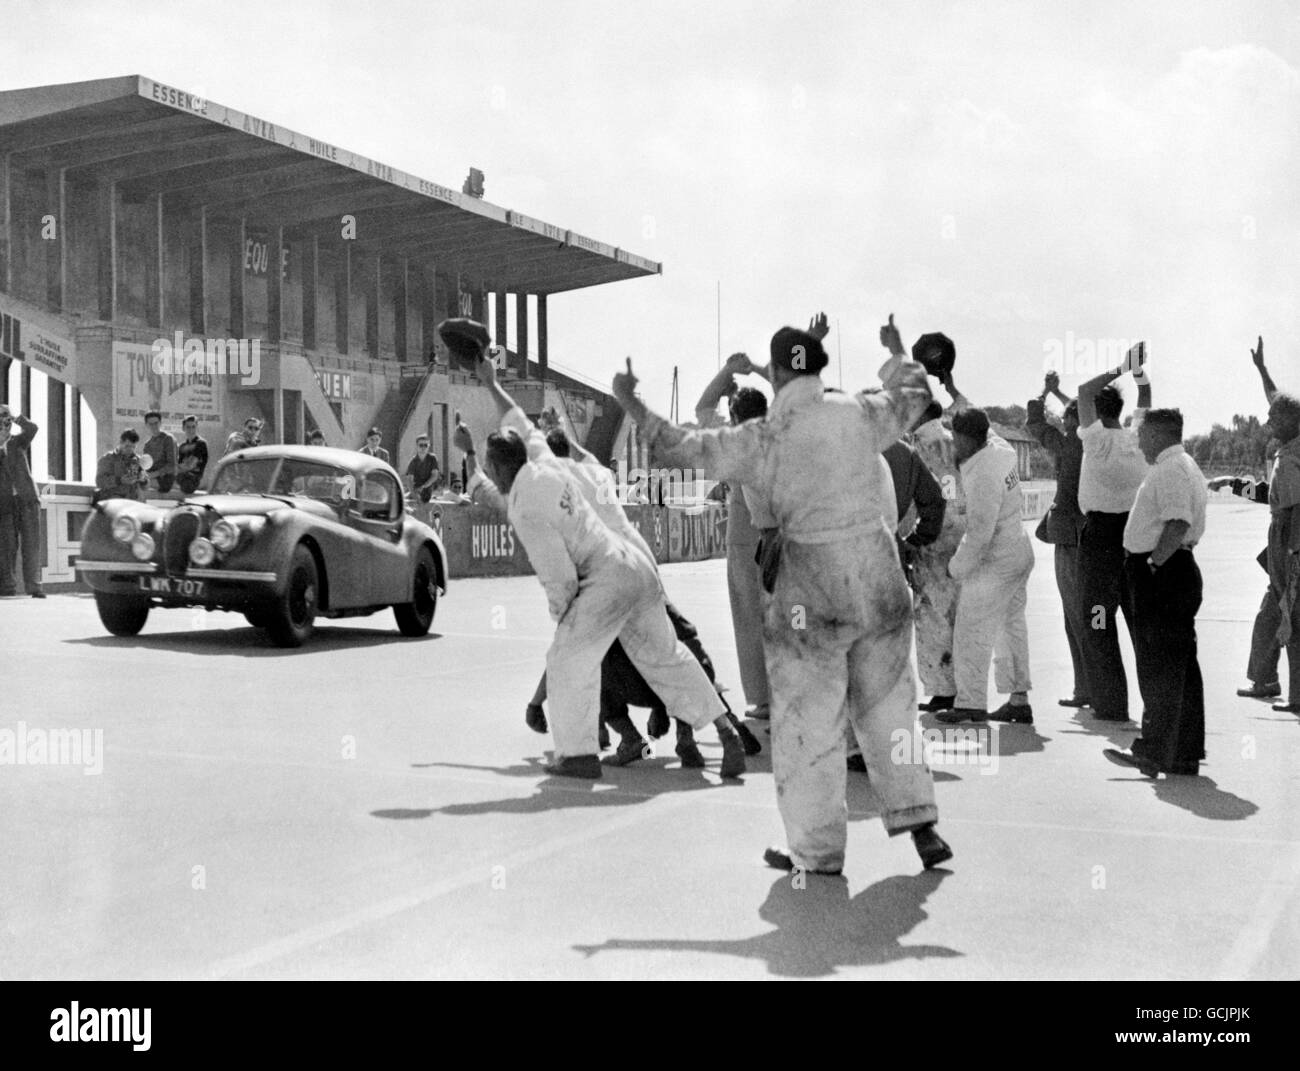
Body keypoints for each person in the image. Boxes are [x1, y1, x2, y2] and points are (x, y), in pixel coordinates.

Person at [612, 319, 951, 874]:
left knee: (809, 724)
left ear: (774, 373)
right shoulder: (858, 412)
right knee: (892, 709)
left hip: (812, 586)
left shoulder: (765, 435)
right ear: (819, 367)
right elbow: (915, 395)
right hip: (880, 576)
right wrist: (893, 353)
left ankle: (816, 851)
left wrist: (631, 401)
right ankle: (922, 822)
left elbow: (683, 448)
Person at [449, 322, 747, 780]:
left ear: (497, 468)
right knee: (668, 655)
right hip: (638, 565)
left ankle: (578, 756)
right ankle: (723, 728)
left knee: (568, 658)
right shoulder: (556, 462)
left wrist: (565, 616)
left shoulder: (527, 501)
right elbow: (520, 422)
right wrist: (489, 381)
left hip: (603, 577)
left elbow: (557, 575)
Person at [1103, 409, 1209, 776]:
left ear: (1160, 435)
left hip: (1163, 573)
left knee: (1158, 667)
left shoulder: (1170, 469)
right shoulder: (1182, 464)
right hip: (1173, 571)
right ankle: (1182, 752)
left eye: (1143, 434)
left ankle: (1153, 750)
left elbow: (1178, 521)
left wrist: (1152, 565)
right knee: (1179, 668)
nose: (1138, 441)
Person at [879, 316, 967, 711]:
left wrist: (897, 352)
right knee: (958, 615)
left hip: (931, 540)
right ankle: (962, 686)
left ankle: (943, 690)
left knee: (931, 615)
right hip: (961, 537)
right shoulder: (955, 435)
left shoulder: (920, 445)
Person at [936, 409, 1035, 725]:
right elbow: (984, 430)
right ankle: (1018, 700)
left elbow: (979, 535)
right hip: (1019, 551)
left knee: (971, 632)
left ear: (965, 438)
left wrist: (955, 568)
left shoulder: (981, 476)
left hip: (996, 562)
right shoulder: (1001, 449)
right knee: (1011, 629)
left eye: (955, 438)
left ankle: (970, 704)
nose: (953, 444)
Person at [693, 353, 773, 720]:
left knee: (748, 615)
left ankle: (763, 695)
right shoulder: (780, 432)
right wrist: (757, 368)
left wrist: (727, 369)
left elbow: (702, 406)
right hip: (786, 531)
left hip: (744, 532)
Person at [1074, 346, 1151, 722]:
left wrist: (1121, 366)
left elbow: (1084, 390)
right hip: (1135, 536)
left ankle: (1111, 704)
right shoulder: (1138, 437)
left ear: (1096, 412)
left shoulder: (1095, 439)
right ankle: (1155, 704)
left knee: (1099, 618)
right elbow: (1146, 396)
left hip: (1101, 538)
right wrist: (1137, 372)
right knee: (1139, 621)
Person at [1225, 337, 1297, 706]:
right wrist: (1262, 369)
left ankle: (1276, 684)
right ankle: (1265, 679)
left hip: (1291, 541)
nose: (1268, 419)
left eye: (1275, 417)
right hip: (1282, 539)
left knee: (1286, 612)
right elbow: (1278, 402)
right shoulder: (1289, 444)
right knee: (1273, 614)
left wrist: (1287, 560)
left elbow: (1292, 511)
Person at [1026, 372, 1090, 708]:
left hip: (1069, 537)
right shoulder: (1097, 441)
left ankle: (1084, 687)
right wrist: (1063, 395)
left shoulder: (1068, 445)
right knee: (1090, 615)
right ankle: (1092, 684)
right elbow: (1080, 413)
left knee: (1073, 615)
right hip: (1093, 536)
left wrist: (1046, 390)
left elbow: (1034, 418)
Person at [0, 406, 43, 598]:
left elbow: (32, 428)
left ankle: (34, 588)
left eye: (5, 420)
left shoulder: (18, 442)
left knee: (31, 545)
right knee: (7, 546)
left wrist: (16, 418)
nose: (4, 424)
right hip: (5, 503)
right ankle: (8, 587)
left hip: (27, 500)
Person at [95, 429, 150, 503]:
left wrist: (144, 480)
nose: (130, 450)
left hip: (134, 503)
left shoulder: (138, 460)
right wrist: (119, 480)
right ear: (120, 442)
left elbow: (146, 487)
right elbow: (99, 481)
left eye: (133, 447)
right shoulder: (108, 459)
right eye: (127, 446)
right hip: (115, 502)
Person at [141, 411, 177, 495]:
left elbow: (171, 466)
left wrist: (152, 475)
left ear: (160, 423)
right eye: (151, 424)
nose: (154, 426)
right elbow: (146, 466)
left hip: (166, 478)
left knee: (138, 485)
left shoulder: (168, 439)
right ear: (146, 425)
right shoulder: (147, 444)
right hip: (153, 477)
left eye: (156, 423)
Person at [175, 415, 209, 495]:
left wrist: (176, 468)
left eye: (193, 427)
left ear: (197, 427)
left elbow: (189, 466)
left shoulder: (201, 443)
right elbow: (179, 465)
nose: (191, 430)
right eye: (188, 427)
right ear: (183, 428)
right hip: (181, 478)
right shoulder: (182, 446)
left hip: (194, 480)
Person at [405, 435, 442, 503]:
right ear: (417, 446)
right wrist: (414, 494)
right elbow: (409, 480)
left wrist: (423, 486)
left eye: (425, 445)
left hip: (428, 489)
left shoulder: (432, 458)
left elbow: (434, 476)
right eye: (421, 445)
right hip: (416, 490)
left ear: (428, 446)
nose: (423, 447)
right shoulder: (413, 461)